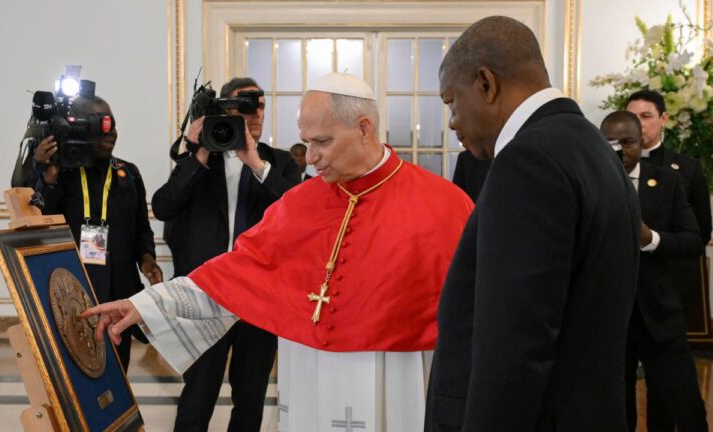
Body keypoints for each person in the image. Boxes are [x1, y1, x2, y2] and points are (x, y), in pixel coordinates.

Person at [83, 72, 474, 432]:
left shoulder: (443, 205)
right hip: (311, 372)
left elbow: (475, 317)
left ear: (364, 129)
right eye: (307, 143)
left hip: (399, 372)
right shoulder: (300, 203)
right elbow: (238, 270)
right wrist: (146, 305)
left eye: (322, 142)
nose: (313, 157)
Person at [426, 16, 641, 431]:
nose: (452, 123)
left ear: (485, 84)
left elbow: (515, 348)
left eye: (452, 102)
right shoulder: (588, 145)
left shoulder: (528, 162)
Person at [152, 76, 300, 432]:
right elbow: (164, 206)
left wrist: (255, 164)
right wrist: (199, 150)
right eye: (245, 105)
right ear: (224, 108)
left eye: (260, 105)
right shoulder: (202, 164)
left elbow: (299, 212)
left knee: (250, 399)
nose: (255, 113)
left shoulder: (277, 163)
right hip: (208, 294)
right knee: (197, 396)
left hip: (260, 297)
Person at [25, 95, 162, 371]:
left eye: (112, 126)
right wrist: (47, 177)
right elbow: (39, 222)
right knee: (77, 371)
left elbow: (140, 227)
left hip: (119, 290)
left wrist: (147, 259)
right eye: (101, 126)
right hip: (72, 290)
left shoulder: (128, 173)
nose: (110, 134)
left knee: (117, 370)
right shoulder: (62, 172)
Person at [601, 111, 708, 432]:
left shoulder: (666, 181)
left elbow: (692, 240)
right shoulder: (589, 183)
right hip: (609, 320)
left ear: (641, 142)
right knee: (616, 410)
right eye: (610, 144)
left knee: (685, 405)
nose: (620, 150)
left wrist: (652, 239)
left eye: (628, 143)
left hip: (660, 316)